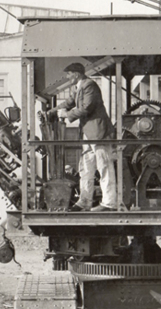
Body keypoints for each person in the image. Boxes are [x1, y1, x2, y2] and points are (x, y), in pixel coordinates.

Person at [50, 62, 117, 212]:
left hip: (98, 133)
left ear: (76, 74)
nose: (67, 77)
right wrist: (51, 112)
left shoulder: (89, 85)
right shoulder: (79, 87)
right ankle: (85, 201)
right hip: (89, 134)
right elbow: (69, 102)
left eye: (69, 74)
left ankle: (110, 203)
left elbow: (86, 108)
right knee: (86, 168)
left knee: (104, 167)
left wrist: (66, 114)